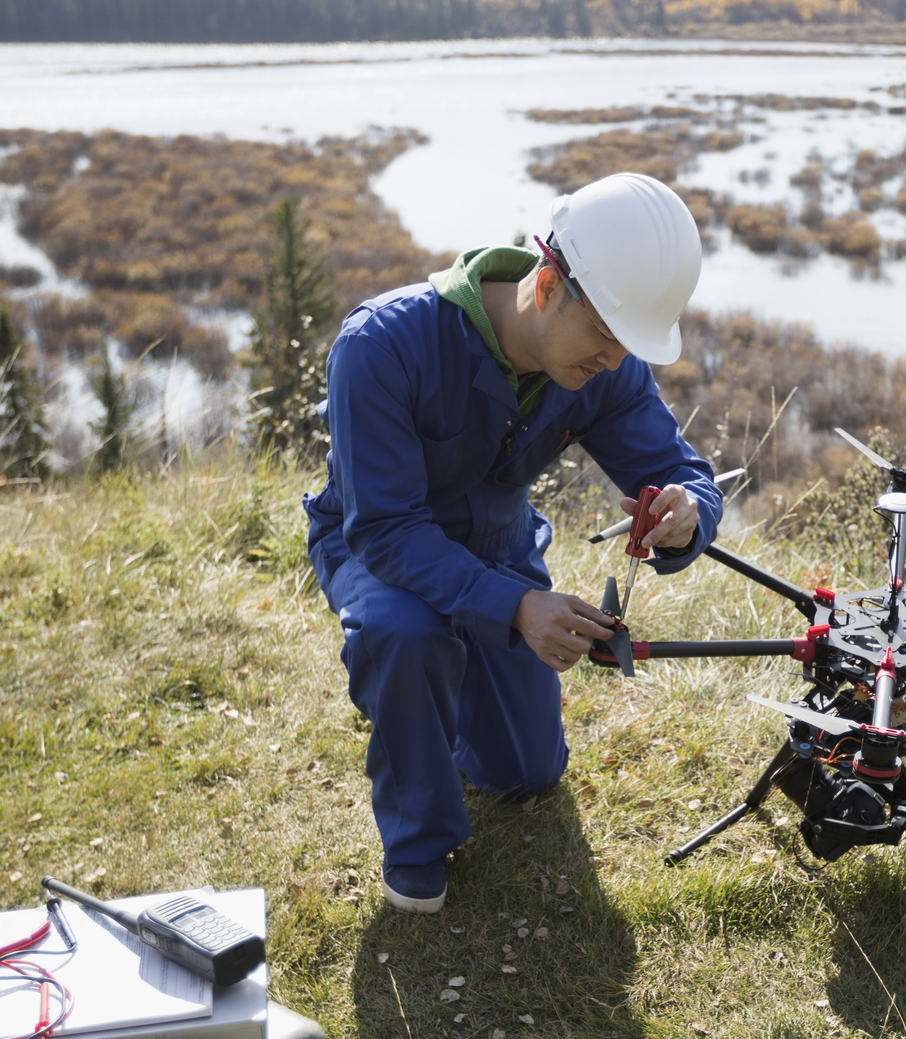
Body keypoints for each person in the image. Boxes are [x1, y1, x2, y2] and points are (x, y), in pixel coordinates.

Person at [304, 173, 722, 914]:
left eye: (629, 344)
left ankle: (450, 689)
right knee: (405, 633)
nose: (614, 361)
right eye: (604, 334)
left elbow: (675, 468)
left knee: (527, 773)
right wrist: (516, 604)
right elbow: (386, 528)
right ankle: (418, 843)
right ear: (549, 282)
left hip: (499, 544)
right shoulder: (382, 345)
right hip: (378, 548)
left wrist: (690, 509)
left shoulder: (603, 367)